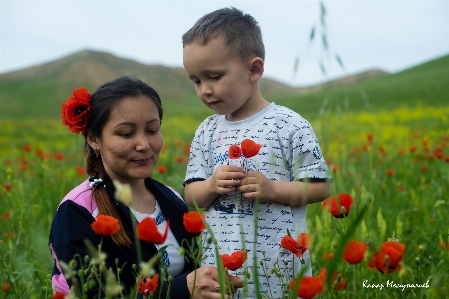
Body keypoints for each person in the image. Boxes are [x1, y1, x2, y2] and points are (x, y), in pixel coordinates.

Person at [182, 7, 332, 298]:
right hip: (219, 273)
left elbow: (321, 187)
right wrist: (211, 185)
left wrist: (273, 189)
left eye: (214, 76)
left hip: (279, 270)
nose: (205, 91)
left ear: (254, 69)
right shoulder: (206, 131)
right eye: (196, 81)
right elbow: (191, 195)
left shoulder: (289, 125)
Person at [49, 76, 243, 299]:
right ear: (94, 138)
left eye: (152, 130)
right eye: (126, 134)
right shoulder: (77, 211)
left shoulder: (171, 199)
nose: (144, 145)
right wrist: (183, 290)